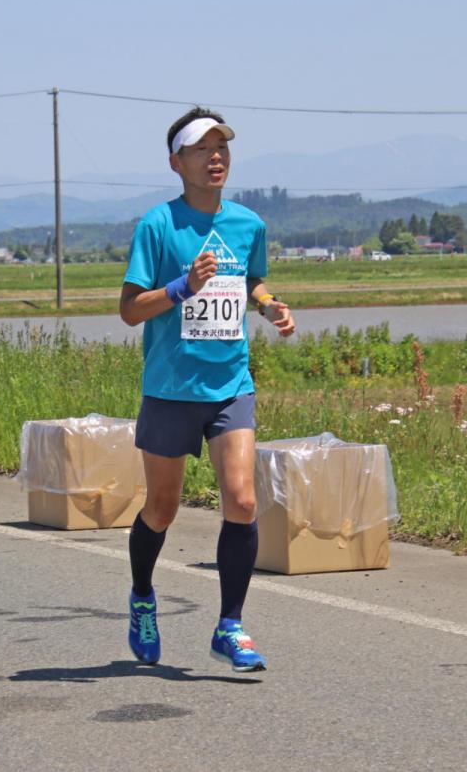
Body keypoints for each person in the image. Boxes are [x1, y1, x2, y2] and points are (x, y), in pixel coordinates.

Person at [118, 108, 295, 672]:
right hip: (171, 387)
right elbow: (129, 311)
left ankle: (230, 625)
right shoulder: (158, 225)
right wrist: (181, 286)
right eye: (201, 149)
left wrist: (267, 305)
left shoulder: (248, 224)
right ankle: (143, 597)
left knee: (242, 501)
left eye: (222, 147)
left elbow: (251, 278)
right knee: (163, 509)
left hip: (229, 384)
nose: (215, 157)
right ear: (177, 162)